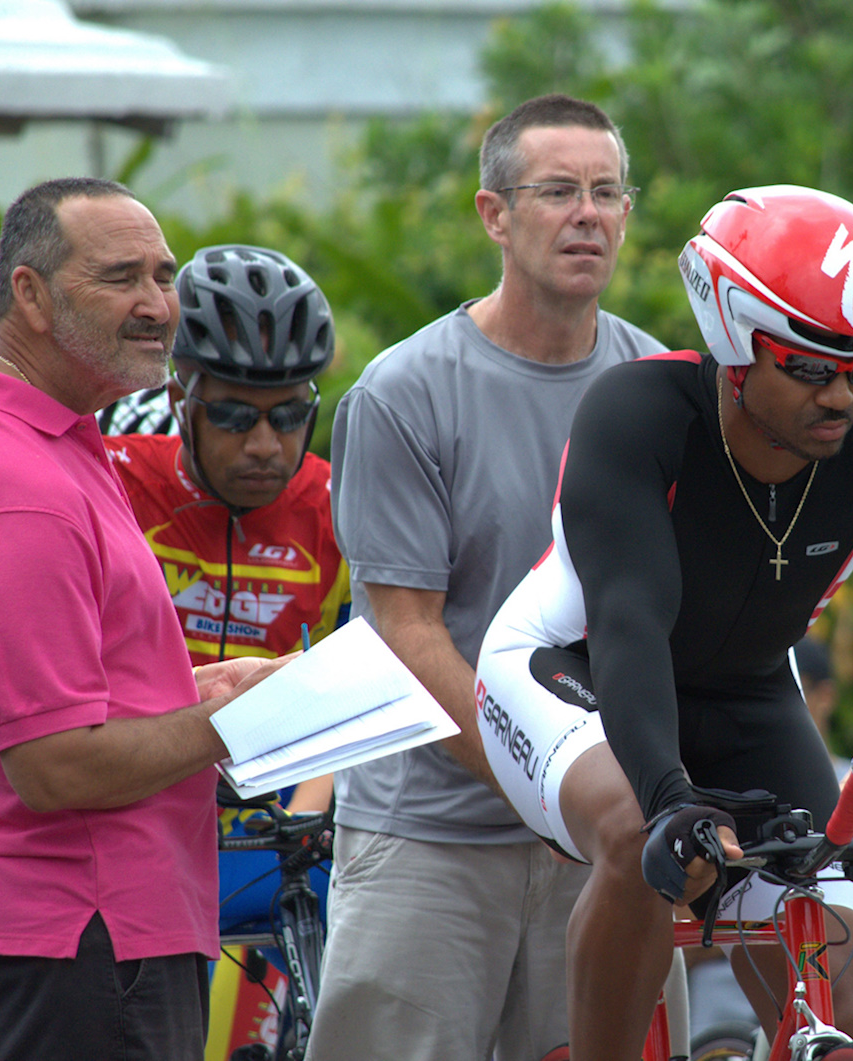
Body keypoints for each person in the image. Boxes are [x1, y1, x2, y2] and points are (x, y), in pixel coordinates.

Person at [475, 184, 853, 1061]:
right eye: (808, 366)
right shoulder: (638, 415)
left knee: (833, 1010)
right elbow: (631, 624)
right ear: (732, 340)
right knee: (641, 836)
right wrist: (672, 796)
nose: (841, 396)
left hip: (751, 688)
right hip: (576, 669)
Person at [306, 93, 666, 1061]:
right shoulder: (403, 393)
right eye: (556, 191)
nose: (587, 213)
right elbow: (407, 631)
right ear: (494, 215)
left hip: (612, 844)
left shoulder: (660, 389)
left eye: (606, 192)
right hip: (430, 838)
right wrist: (556, 783)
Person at [0, 176, 292, 1061]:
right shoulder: (10, 482)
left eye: (164, 276)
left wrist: (203, 685)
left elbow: (53, 697)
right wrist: (238, 718)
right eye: (121, 277)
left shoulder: (25, 437)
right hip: (79, 943)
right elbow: (55, 762)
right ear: (30, 294)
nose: (158, 305)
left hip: (75, 942)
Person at [104, 242, 349, 816]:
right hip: (136, 811)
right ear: (179, 403)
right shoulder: (108, 482)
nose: (265, 445)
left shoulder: (339, 506)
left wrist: (307, 816)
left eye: (288, 416)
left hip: (283, 828)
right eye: (234, 416)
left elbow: (357, 685)